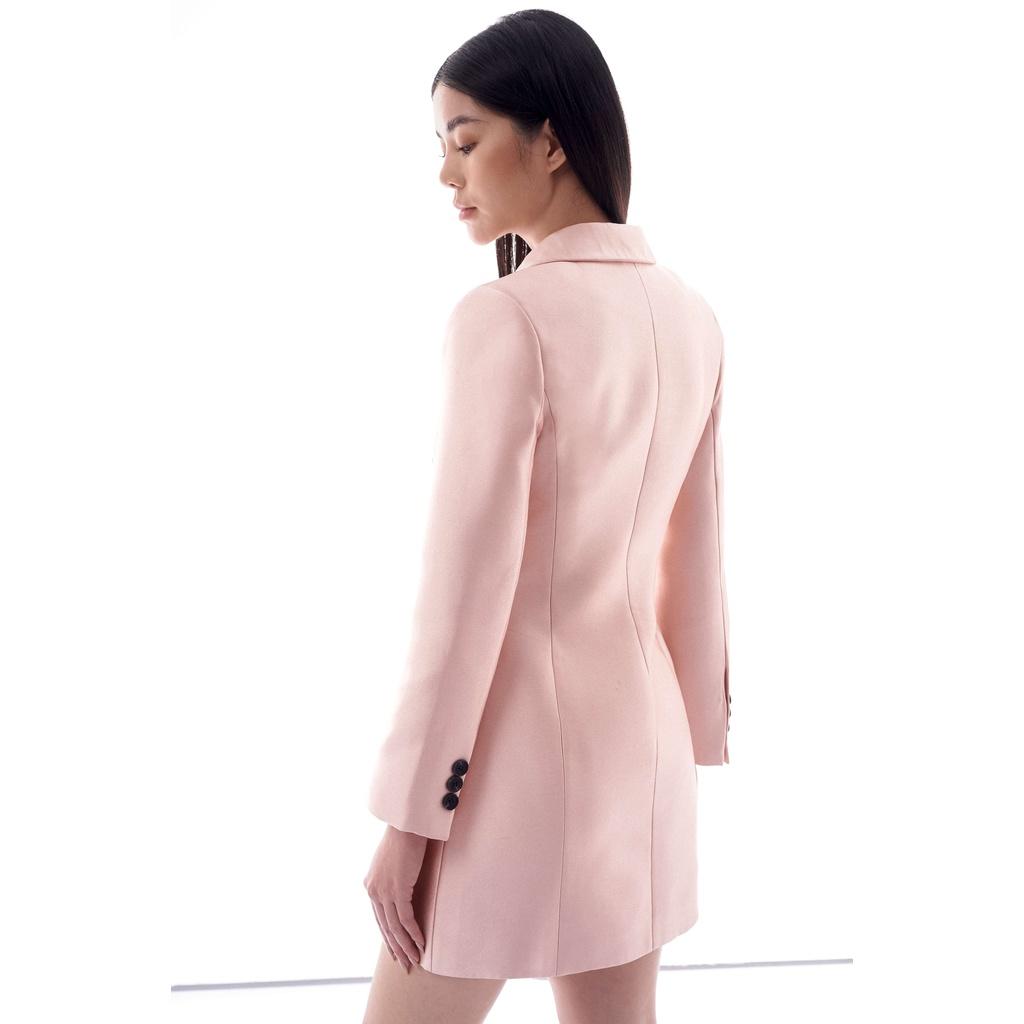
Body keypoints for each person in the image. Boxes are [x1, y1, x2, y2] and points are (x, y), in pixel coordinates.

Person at [362, 11, 732, 1024]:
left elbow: (463, 594)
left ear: (553, 140)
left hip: (509, 773)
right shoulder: (692, 316)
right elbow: (694, 567)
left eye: (466, 140)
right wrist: (696, 736)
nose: (446, 173)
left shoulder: (507, 316)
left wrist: (408, 816)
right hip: (642, 759)